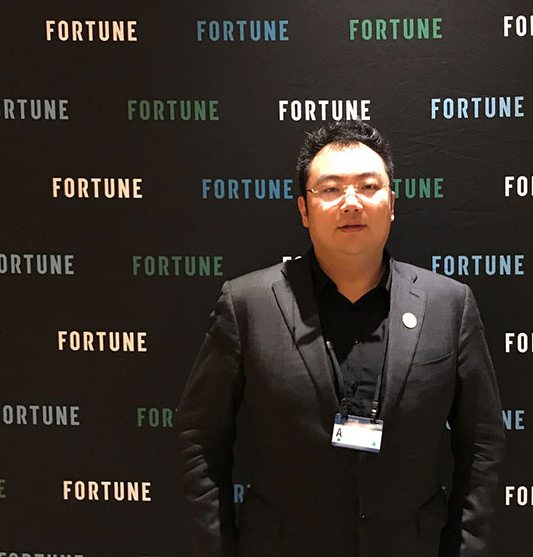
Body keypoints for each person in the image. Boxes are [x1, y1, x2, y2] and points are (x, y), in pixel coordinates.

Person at [175, 120, 504, 557]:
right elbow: (198, 438)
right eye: (330, 189)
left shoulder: (449, 304)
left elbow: (482, 442)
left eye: (368, 186)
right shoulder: (246, 304)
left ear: (391, 203)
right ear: (304, 210)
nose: (351, 202)